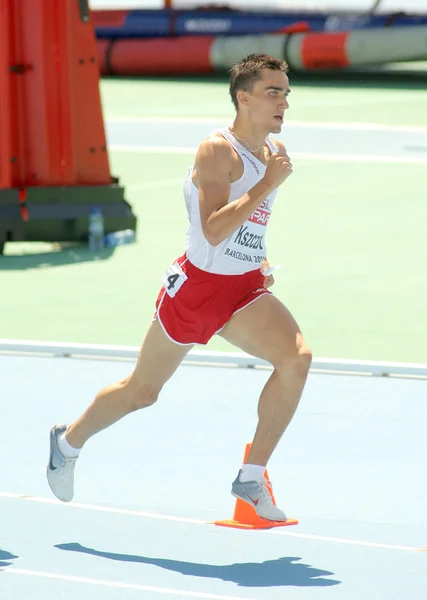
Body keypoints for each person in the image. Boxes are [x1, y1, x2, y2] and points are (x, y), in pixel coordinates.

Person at [47, 53, 312, 522]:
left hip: (243, 288)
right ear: (243, 98)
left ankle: (251, 476)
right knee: (142, 391)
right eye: (274, 92)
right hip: (197, 288)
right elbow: (210, 230)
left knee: (296, 358)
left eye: (286, 93)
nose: (283, 102)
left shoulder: (272, 153)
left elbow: (252, 225)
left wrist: (261, 260)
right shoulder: (218, 151)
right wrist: (266, 185)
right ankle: (68, 442)